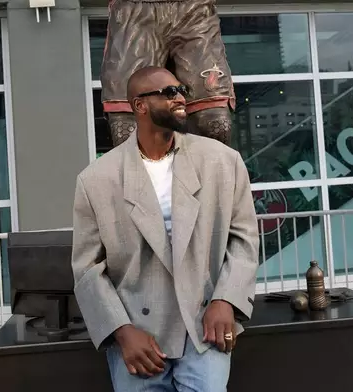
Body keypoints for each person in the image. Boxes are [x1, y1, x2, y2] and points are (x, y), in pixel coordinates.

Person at [71, 66, 259, 391]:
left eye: (181, 89)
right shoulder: (97, 180)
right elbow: (87, 268)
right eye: (168, 92)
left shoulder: (223, 162)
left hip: (203, 326)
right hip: (138, 334)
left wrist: (226, 300)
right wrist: (122, 330)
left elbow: (244, 240)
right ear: (139, 105)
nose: (180, 97)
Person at [101, 0, 235, 146]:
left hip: (194, 9)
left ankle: (209, 168)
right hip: (133, 10)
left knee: (215, 124)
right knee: (126, 129)